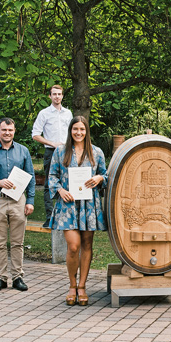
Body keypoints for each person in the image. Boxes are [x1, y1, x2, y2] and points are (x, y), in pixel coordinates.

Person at [48, 116, 107, 306]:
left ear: (86, 131)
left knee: (87, 244)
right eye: (75, 129)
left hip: (89, 205)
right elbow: (52, 176)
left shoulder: (96, 152)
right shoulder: (60, 152)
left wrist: (99, 178)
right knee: (73, 246)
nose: (79, 133)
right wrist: (60, 190)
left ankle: (82, 286)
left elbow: (105, 174)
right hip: (68, 204)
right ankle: (72, 285)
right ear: (70, 131)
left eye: (82, 129)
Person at [0, 118, 36, 293]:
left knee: (17, 242)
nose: (7, 133)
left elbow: (30, 177)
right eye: (4, 130)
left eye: (10, 130)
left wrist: (30, 201)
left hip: (17, 200)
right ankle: (1, 278)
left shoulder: (23, 151)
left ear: (14, 131)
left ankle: (17, 276)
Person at [32, 84, 72, 227]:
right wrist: (52, 143)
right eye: (54, 94)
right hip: (51, 151)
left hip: (67, 152)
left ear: (62, 96)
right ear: (50, 96)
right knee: (49, 185)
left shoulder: (68, 113)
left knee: (68, 182)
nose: (57, 97)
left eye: (59, 94)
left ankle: (66, 216)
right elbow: (35, 135)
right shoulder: (44, 113)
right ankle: (50, 218)